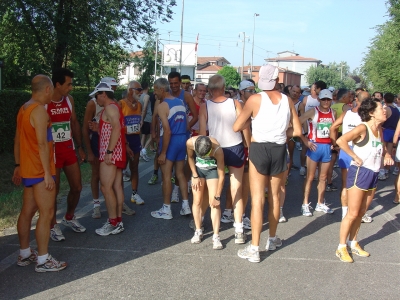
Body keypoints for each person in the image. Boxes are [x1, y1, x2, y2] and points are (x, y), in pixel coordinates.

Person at [234, 64, 301, 263]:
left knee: (257, 199)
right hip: (279, 148)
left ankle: (254, 248)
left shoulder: (255, 99)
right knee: (274, 197)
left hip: (259, 148)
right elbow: (297, 131)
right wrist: (280, 133)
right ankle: (271, 239)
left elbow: (237, 125)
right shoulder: (287, 100)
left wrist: (252, 122)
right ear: (277, 80)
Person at [13, 75, 67, 272]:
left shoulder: (24, 108)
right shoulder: (40, 112)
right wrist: (47, 174)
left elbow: (17, 139)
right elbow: (43, 145)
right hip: (39, 170)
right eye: (51, 90)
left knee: (27, 211)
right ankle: (43, 260)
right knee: (47, 213)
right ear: (47, 89)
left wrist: (18, 164)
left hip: (28, 169)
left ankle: (25, 253)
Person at [336, 98, 393, 262]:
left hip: (373, 174)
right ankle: (341, 247)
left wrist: (387, 154)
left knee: (361, 212)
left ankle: (353, 243)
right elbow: (341, 140)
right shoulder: (363, 127)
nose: (384, 110)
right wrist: (354, 156)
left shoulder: (379, 129)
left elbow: (380, 146)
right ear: (371, 113)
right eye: (381, 108)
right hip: (360, 173)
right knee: (352, 213)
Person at [199, 75, 251, 245]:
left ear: (209, 89)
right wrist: (249, 146)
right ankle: (239, 230)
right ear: (223, 87)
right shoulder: (235, 103)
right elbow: (244, 126)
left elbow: (202, 134)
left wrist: (200, 154)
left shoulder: (204, 106)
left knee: (212, 189)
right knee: (236, 188)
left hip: (215, 148)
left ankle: (201, 224)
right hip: (235, 146)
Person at [47, 68, 86, 242]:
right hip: (51, 152)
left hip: (68, 149)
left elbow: (75, 123)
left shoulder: (69, 100)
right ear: (57, 84)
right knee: (52, 192)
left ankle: (69, 217)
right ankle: (51, 224)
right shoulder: (44, 101)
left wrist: (80, 146)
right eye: (68, 84)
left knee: (77, 186)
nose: (71, 87)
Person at [151, 78, 191, 219]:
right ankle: (186, 205)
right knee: (180, 173)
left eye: (155, 90)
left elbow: (166, 131)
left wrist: (162, 153)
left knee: (166, 175)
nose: (154, 93)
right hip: (182, 138)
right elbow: (186, 123)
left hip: (171, 140)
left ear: (161, 89)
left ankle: (166, 208)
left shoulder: (163, 105)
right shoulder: (180, 102)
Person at [330, 91, 373, 223]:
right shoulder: (367, 116)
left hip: (346, 149)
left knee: (346, 185)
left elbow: (333, 127)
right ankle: (359, 214)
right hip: (361, 151)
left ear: (356, 99)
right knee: (362, 186)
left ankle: (345, 214)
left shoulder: (347, 113)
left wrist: (335, 143)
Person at [90, 82, 127, 236]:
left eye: (96, 95)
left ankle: (113, 222)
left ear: (103, 94)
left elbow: (117, 129)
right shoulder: (115, 107)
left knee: (106, 188)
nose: (95, 99)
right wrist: (98, 128)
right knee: (116, 187)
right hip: (116, 152)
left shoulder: (110, 108)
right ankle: (117, 221)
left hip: (111, 154)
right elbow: (113, 128)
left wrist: (109, 151)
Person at [83, 76, 119, 219]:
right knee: (97, 175)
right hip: (97, 140)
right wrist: (89, 151)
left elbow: (117, 128)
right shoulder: (93, 103)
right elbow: (85, 127)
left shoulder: (113, 104)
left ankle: (117, 210)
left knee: (114, 179)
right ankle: (96, 205)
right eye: (113, 87)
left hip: (109, 142)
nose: (115, 90)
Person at [299, 89, 336, 217]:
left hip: (326, 147)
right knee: (310, 177)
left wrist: (334, 143)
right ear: (319, 99)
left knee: (323, 177)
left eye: (328, 99)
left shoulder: (333, 113)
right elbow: (298, 122)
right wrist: (305, 140)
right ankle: (305, 204)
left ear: (331, 100)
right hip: (314, 146)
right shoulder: (313, 111)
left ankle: (320, 203)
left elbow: (334, 130)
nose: (326, 102)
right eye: (323, 99)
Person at [187, 136, 225, 250]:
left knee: (214, 203)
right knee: (197, 200)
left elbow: (222, 175)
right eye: (201, 155)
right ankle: (198, 230)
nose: (204, 157)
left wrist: (217, 196)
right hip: (198, 170)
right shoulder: (190, 142)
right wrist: (194, 175)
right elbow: (190, 158)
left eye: (206, 154)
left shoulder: (218, 150)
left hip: (212, 170)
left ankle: (216, 236)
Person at [168, 71, 198, 203]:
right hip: (169, 134)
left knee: (182, 164)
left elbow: (195, 115)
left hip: (182, 135)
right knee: (172, 164)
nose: (173, 86)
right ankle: (175, 189)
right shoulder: (167, 95)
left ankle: (177, 188)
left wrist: (187, 126)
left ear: (180, 83)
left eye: (176, 83)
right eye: (171, 83)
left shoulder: (186, 96)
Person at [120, 81, 145, 205]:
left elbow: (138, 121)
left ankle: (135, 194)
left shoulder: (139, 104)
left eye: (141, 90)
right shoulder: (121, 104)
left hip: (135, 139)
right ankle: (120, 198)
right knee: (121, 169)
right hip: (124, 140)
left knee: (134, 167)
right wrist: (125, 143)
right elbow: (118, 126)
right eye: (138, 89)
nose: (141, 92)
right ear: (130, 90)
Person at [378, 93, 399, 180]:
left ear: (385, 99)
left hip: (386, 130)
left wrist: (380, 125)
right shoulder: (396, 109)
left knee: (383, 150)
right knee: (389, 151)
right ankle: (387, 169)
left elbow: (383, 120)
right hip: (393, 131)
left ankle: (382, 171)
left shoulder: (386, 109)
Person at [139, 82, 152, 162]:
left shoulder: (139, 96)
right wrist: (142, 119)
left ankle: (141, 151)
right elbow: (145, 108)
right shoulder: (146, 96)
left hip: (142, 117)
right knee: (152, 135)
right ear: (147, 87)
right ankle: (144, 149)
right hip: (148, 117)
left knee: (144, 135)